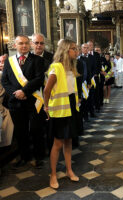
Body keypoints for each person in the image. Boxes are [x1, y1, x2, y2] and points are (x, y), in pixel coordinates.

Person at [2, 35, 46, 169]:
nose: (24, 46)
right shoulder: (9, 62)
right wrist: (16, 94)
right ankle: (24, 156)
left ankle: (38, 156)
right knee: (21, 132)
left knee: (35, 129)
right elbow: (5, 81)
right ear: (15, 45)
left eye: (27, 43)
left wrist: (24, 91)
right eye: (21, 43)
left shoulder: (37, 60)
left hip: (33, 101)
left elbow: (39, 79)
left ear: (30, 45)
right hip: (16, 103)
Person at [44, 39, 80, 189]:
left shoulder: (71, 67)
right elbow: (47, 90)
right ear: (65, 50)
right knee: (57, 143)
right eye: (73, 49)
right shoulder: (56, 67)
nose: (76, 51)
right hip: (60, 110)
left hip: (71, 107)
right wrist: (46, 107)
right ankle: (53, 174)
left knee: (69, 141)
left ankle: (69, 170)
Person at [31, 33, 54, 160]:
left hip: (49, 97)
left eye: (41, 43)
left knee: (50, 126)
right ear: (32, 44)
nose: (39, 45)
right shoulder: (28, 58)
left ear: (44, 44)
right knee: (36, 128)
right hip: (34, 98)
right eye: (36, 43)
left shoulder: (52, 58)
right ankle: (38, 154)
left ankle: (51, 150)